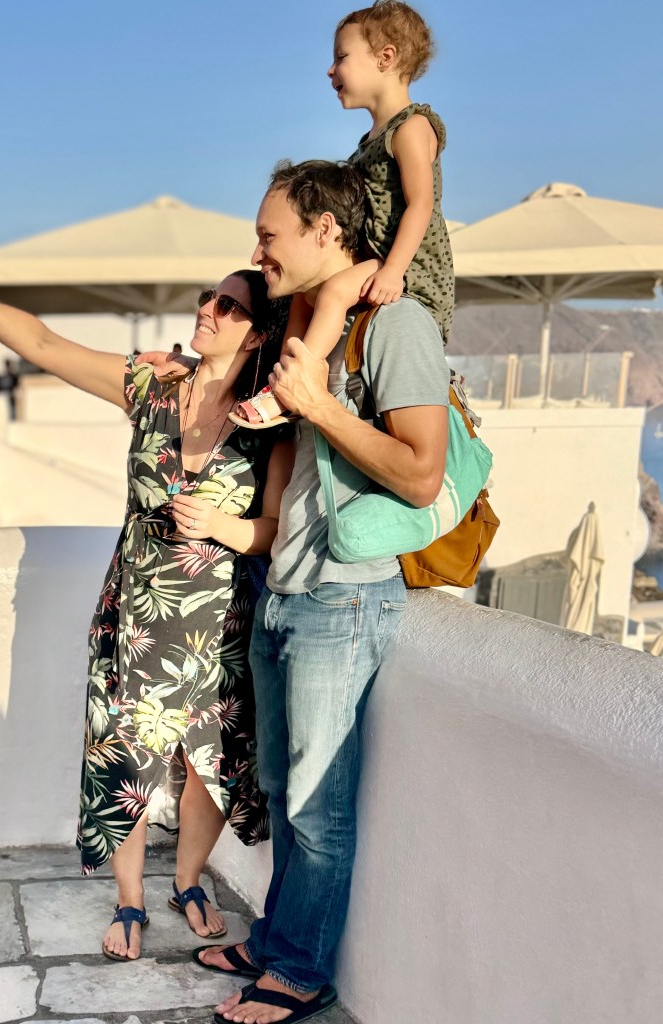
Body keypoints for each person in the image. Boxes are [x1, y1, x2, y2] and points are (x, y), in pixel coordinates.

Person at [0, 230, 295, 962]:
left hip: (219, 623)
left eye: (229, 306)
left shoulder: (267, 425)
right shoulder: (150, 387)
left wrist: (222, 525)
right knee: (125, 758)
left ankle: (187, 881)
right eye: (208, 297)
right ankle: (129, 899)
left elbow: (274, 530)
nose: (208, 309)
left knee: (207, 764)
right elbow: (44, 345)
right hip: (136, 614)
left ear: (256, 336)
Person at [194, 160, 450, 1024]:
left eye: (270, 235)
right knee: (281, 788)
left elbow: (420, 474)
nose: (258, 251)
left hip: (343, 597)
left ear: (325, 230)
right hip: (285, 587)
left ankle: (300, 972)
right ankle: (276, 940)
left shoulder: (396, 326)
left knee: (317, 806)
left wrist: (319, 404)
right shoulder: (312, 324)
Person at [230, 0, 453, 430]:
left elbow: (422, 205)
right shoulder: (370, 139)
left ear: (385, 57)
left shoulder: (411, 127)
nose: (331, 70)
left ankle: (298, 383)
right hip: (381, 257)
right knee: (303, 294)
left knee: (332, 291)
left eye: (341, 57)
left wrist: (394, 270)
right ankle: (284, 375)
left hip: (408, 263)